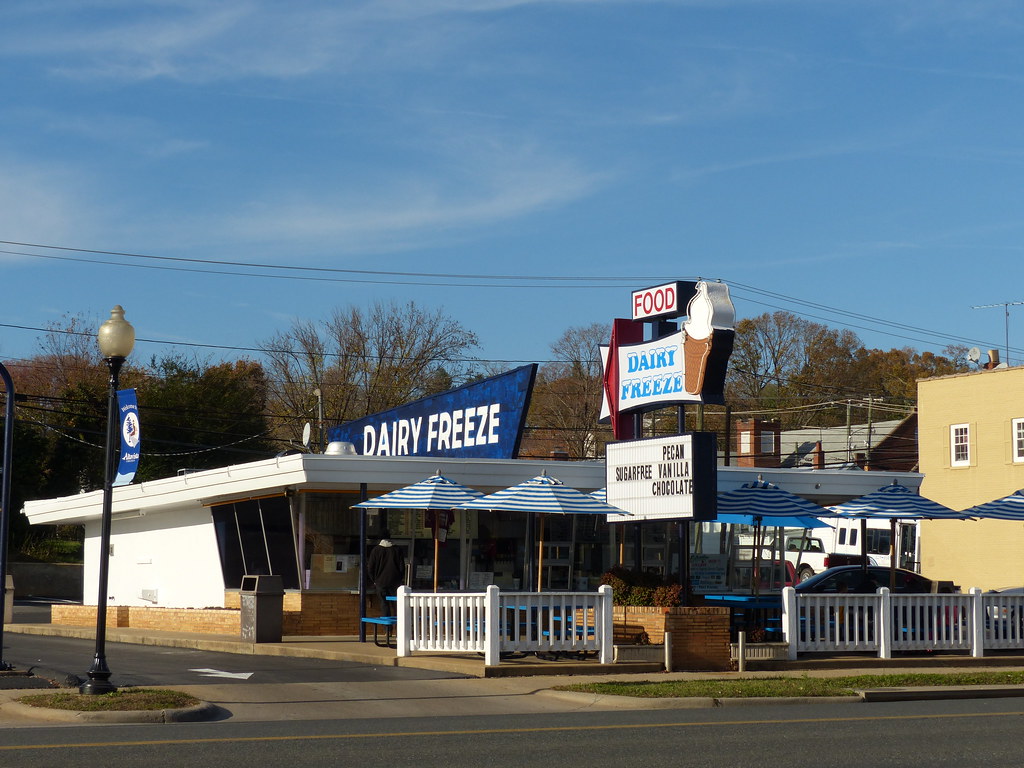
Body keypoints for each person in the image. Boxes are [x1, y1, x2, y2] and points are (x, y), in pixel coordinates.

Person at [366, 531, 405, 617]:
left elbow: (370, 568)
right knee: (396, 604)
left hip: (380, 582)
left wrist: (374, 580)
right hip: (394, 582)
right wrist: (399, 579)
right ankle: (399, 626)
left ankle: (387, 628)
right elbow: (402, 568)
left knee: (384, 604)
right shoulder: (397, 550)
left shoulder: (376, 550)